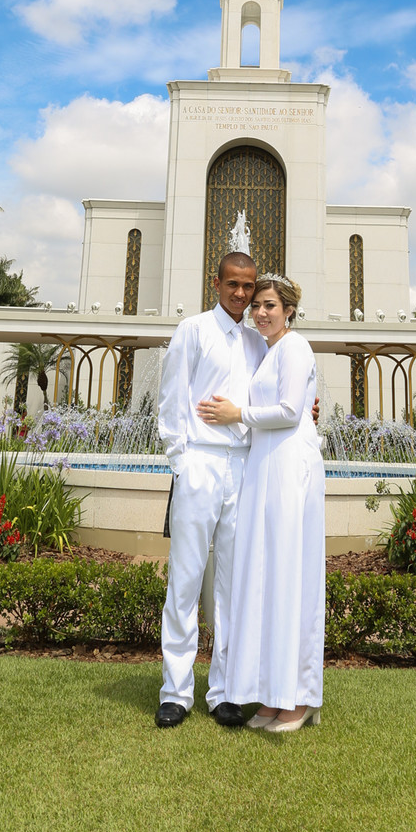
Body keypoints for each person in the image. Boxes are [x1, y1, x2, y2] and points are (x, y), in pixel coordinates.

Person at [200, 273, 326, 734]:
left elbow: (292, 411)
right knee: (270, 579)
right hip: (265, 466)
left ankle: (300, 697)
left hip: (290, 468)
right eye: (257, 306)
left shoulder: (295, 348)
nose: (261, 312)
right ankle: (274, 697)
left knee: (292, 576)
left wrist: (238, 414)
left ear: (289, 308)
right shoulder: (271, 351)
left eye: (270, 305)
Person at [154, 250, 264, 729]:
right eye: (233, 284)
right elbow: (172, 398)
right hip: (198, 461)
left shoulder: (260, 341)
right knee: (185, 578)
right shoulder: (193, 330)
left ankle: (224, 690)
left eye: (248, 286)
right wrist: (181, 463)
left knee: (233, 584)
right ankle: (175, 691)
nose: (241, 294)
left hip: (244, 468)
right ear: (215, 282)